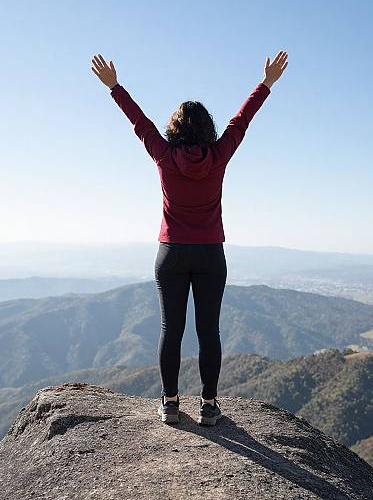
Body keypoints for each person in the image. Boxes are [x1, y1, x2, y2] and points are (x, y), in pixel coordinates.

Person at [91, 50, 288, 425]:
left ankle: (169, 402)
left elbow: (140, 122)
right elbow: (241, 121)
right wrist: (266, 83)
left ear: (175, 129)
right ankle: (210, 405)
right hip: (211, 254)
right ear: (207, 129)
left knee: (171, 330)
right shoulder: (219, 155)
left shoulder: (164, 155)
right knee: (208, 331)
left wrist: (114, 87)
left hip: (172, 254)